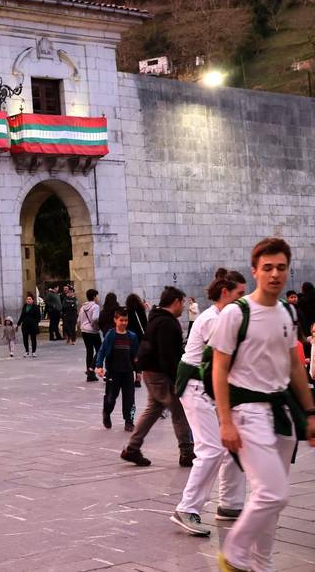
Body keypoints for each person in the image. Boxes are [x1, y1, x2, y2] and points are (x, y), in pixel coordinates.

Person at [207, 239, 315, 572]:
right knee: (273, 493)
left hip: (281, 412)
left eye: (281, 267)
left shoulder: (287, 312)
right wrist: (225, 422)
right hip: (246, 411)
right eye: (267, 267)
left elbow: (294, 365)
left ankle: (261, 565)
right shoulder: (236, 314)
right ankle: (234, 555)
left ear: (287, 270)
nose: (274, 274)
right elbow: (219, 368)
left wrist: (310, 412)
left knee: (268, 501)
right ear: (255, 271)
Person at [170, 268, 247, 537]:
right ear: (225, 293)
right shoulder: (215, 320)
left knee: (233, 440)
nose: (244, 300)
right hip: (195, 387)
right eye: (240, 294)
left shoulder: (222, 316)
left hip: (207, 387)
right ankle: (187, 508)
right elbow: (233, 359)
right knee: (211, 449)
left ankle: (230, 503)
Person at [120, 286, 194, 468]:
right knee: (179, 410)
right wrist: (178, 379)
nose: (183, 307)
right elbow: (168, 356)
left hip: (151, 372)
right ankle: (187, 451)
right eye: (182, 303)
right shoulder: (167, 323)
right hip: (160, 374)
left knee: (153, 409)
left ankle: (132, 449)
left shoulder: (157, 318)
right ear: (176, 302)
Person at [95, 307, 140, 431]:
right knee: (110, 397)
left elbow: (136, 356)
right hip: (113, 373)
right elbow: (102, 351)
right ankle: (107, 412)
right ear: (115, 320)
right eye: (121, 320)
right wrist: (99, 366)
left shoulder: (132, 337)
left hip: (128, 373)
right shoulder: (111, 335)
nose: (124, 323)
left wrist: (139, 372)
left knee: (130, 399)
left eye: (126, 320)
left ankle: (129, 421)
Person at [79, 289, 101, 381]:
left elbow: (79, 320)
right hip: (93, 331)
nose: (98, 298)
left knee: (89, 351)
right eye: (97, 296)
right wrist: (95, 327)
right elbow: (95, 318)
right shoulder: (95, 306)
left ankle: (90, 375)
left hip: (84, 331)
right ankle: (91, 368)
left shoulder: (82, 307)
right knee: (100, 350)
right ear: (94, 296)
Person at [15, 293, 41, 357]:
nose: (28, 300)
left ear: (33, 300)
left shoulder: (36, 307)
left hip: (32, 325)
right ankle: (26, 351)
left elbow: (38, 317)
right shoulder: (25, 306)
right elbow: (22, 316)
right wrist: (18, 324)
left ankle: (33, 352)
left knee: (33, 339)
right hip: (25, 325)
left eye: (30, 299)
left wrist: (36, 323)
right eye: (27, 299)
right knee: (25, 338)